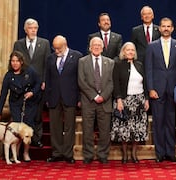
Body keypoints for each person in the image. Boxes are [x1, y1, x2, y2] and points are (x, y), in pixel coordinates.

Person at [145, 17, 176, 163]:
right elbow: (148, 69)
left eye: (169, 26)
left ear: (172, 28)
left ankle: (170, 152)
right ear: (159, 28)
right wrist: (150, 88)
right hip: (157, 90)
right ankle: (159, 153)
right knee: (158, 123)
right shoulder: (151, 46)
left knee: (171, 122)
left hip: (173, 90)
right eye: (164, 26)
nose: (166, 28)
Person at [0, 51, 41, 162]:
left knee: (27, 128)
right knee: (17, 128)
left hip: (29, 103)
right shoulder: (8, 76)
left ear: (21, 62)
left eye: (17, 61)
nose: (15, 63)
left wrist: (32, 92)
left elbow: (38, 83)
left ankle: (26, 153)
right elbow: (3, 95)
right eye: (13, 61)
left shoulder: (30, 71)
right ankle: (15, 154)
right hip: (15, 104)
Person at [13, 18, 51, 148]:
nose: (33, 30)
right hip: (22, 84)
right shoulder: (18, 44)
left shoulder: (44, 43)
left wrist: (45, 80)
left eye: (35, 28)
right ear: (25, 29)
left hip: (39, 84)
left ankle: (36, 138)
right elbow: (15, 63)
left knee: (37, 113)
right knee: (24, 114)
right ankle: (21, 140)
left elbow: (47, 64)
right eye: (30, 28)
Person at [44, 35, 83, 164]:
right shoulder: (50, 58)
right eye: (54, 48)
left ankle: (67, 153)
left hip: (70, 96)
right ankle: (56, 153)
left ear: (65, 45)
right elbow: (48, 79)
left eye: (59, 48)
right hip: (54, 97)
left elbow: (79, 79)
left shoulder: (77, 56)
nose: (56, 51)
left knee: (69, 127)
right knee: (54, 126)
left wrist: (79, 98)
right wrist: (47, 97)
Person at [111, 42, 150, 164]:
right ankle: (124, 154)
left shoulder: (139, 64)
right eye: (128, 50)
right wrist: (118, 99)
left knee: (137, 129)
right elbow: (115, 83)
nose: (130, 52)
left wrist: (147, 99)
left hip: (139, 100)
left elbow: (145, 83)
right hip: (124, 100)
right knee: (124, 129)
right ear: (123, 52)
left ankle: (134, 153)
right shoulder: (118, 65)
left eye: (132, 50)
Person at [78, 37, 114, 164]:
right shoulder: (82, 61)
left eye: (99, 45)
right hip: (88, 101)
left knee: (105, 131)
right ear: (90, 47)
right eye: (94, 45)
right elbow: (81, 82)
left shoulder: (110, 63)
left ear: (103, 47)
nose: (97, 47)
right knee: (87, 130)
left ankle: (103, 154)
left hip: (105, 101)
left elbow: (111, 82)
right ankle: (88, 155)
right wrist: (94, 96)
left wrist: (103, 96)